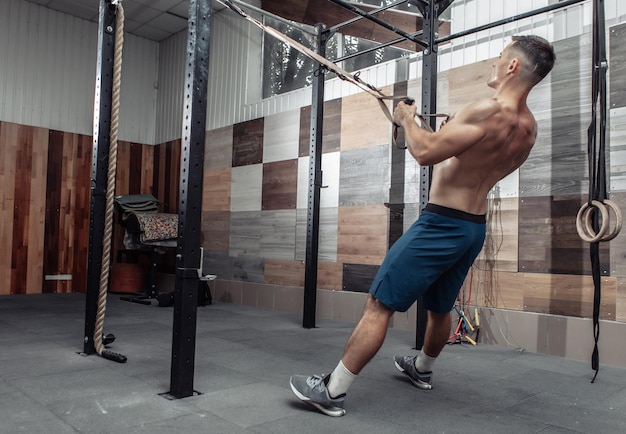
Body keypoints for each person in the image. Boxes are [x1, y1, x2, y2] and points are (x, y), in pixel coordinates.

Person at [289, 35, 556, 417]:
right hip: (472, 229)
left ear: (513, 67)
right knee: (439, 306)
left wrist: (407, 119)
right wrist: (446, 133)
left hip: (440, 225)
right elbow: (478, 160)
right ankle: (421, 369)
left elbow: (427, 153)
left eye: (499, 58)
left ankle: (332, 391)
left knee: (379, 303)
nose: (494, 64)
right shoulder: (528, 127)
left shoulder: (486, 110)